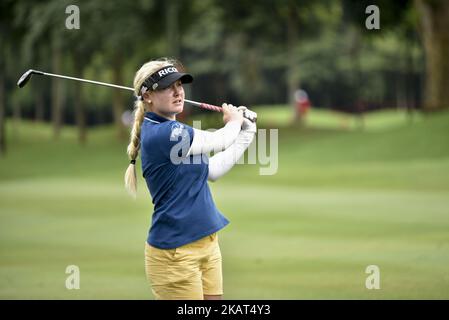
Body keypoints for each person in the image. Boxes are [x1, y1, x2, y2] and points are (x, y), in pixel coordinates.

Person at [124, 57, 257, 300]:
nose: (177, 92)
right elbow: (219, 140)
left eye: (179, 85)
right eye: (167, 87)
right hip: (175, 253)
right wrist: (235, 122)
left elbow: (212, 171)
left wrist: (246, 134)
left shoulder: (180, 134)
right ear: (147, 96)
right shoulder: (162, 133)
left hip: (207, 243)